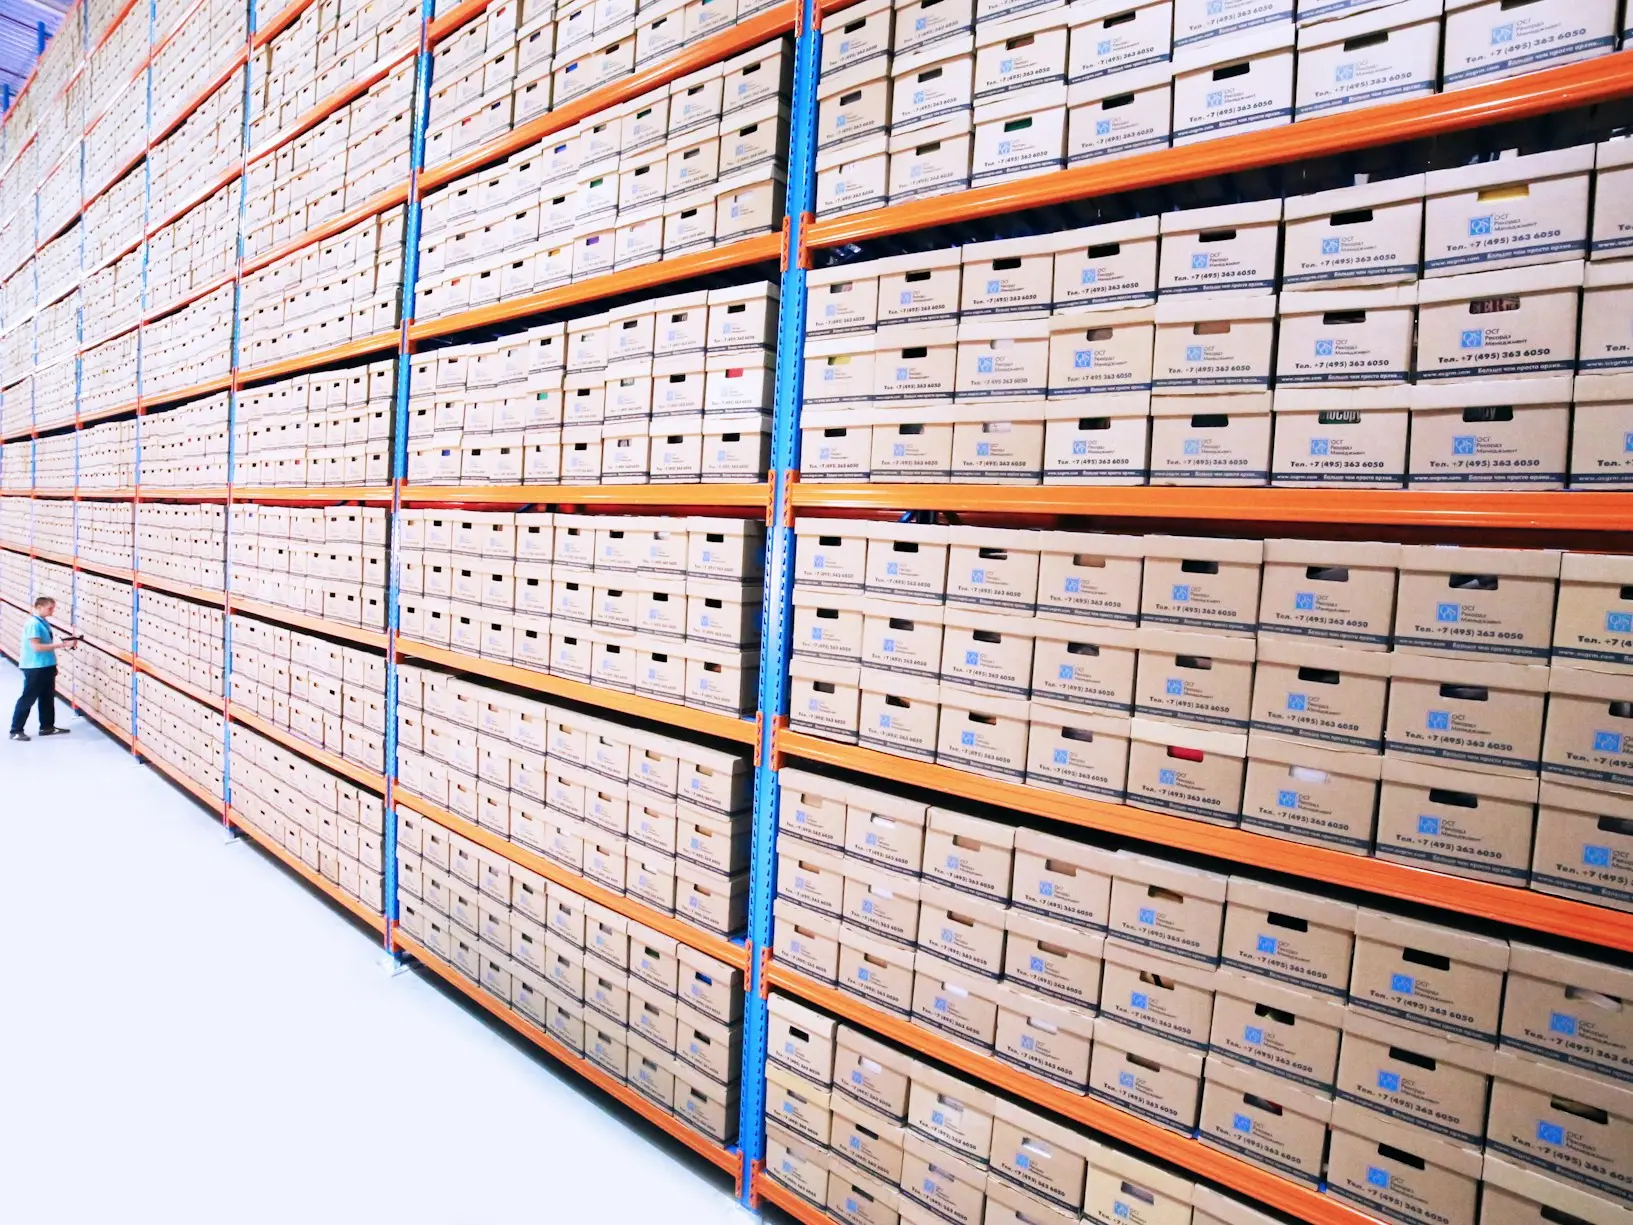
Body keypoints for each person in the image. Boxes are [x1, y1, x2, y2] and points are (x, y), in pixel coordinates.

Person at [10, 595, 76, 741]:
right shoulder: (33, 624)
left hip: (46, 666)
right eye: (50, 608)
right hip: (35, 667)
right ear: (39, 607)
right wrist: (62, 645)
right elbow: (37, 647)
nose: (52, 611)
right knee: (28, 698)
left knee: (47, 698)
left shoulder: (43, 622)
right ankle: (16, 730)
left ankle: (47, 727)